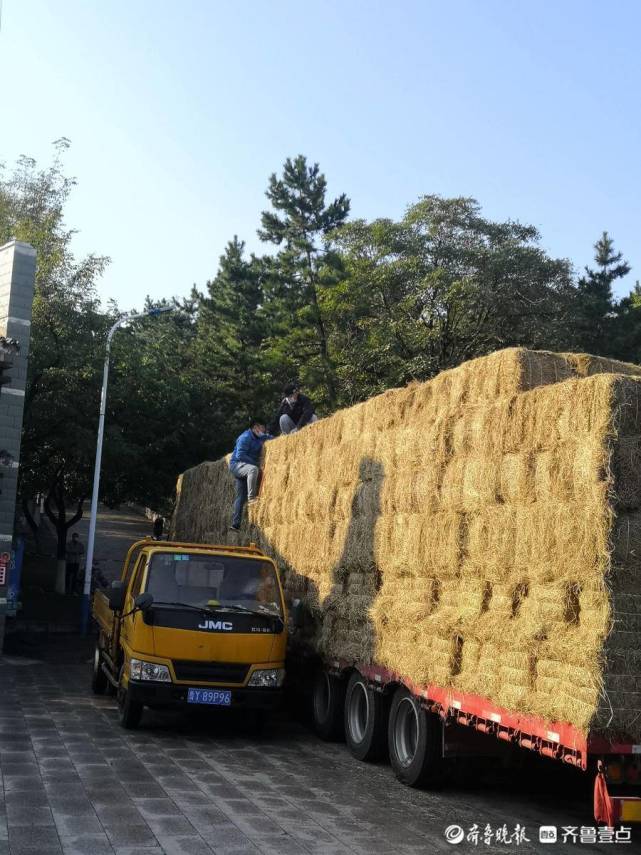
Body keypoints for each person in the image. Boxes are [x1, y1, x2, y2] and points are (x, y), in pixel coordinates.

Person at [229, 418, 273, 531]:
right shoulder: (245, 438)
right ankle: (252, 498)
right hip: (237, 465)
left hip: (246, 466)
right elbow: (240, 456)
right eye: (262, 428)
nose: (264, 430)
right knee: (253, 470)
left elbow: (271, 438)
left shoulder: (260, 436)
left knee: (240, 497)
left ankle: (235, 524)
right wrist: (257, 465)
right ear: (256, 427)